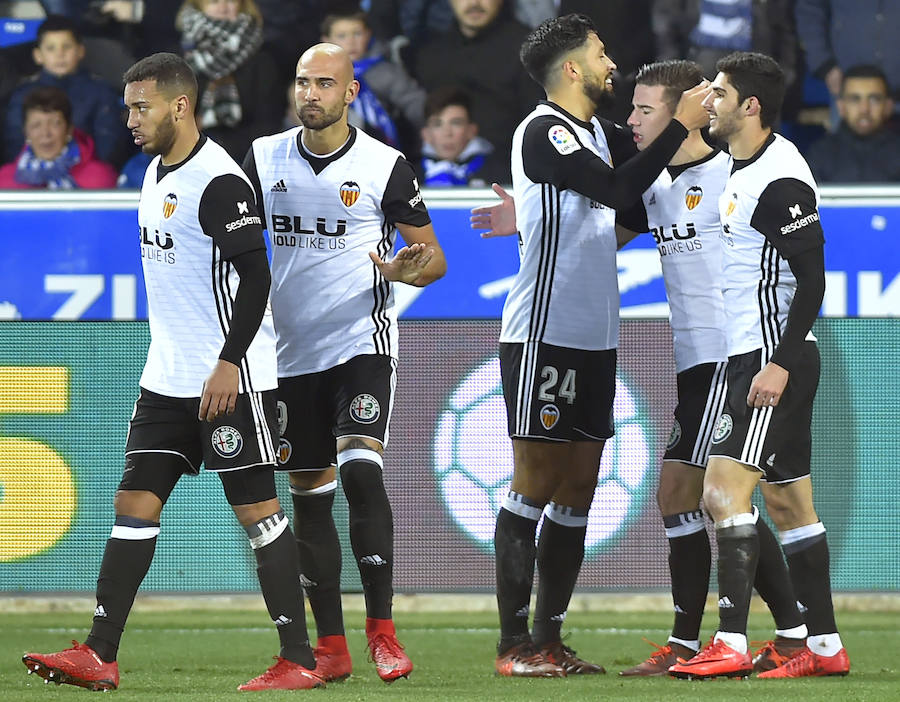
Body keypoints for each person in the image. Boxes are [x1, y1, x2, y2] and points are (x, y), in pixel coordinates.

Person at [474, 58, 809, 676]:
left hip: (732, 356)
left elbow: (793, 255)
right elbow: (603, 224)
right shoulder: (653, 185)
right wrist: (527, 218)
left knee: (696, 494)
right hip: (694, 363)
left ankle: (721, 641)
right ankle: (785, 634)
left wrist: (783, 352)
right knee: (704, 499)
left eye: (645, 109)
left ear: (685, 112)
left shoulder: (732, 173)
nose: (629, 121)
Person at [21, 52, 324, 692]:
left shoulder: (218, 182)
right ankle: (101, 653)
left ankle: (297, 660)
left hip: (232, 383)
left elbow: (257, 279)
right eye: (129, 106)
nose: (129, 119)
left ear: (180, 105)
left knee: (260, 514)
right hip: (167, 379)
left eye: (142, 107)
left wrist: (228, 363)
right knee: (133, 502)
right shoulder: (154, 172)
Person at [486, 14, 710, 677]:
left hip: (594, 338)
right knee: (535, 482)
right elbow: (616, 188)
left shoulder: (599, 135)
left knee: (580, 487)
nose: (614, 63)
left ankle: (550, 639)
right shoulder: (545, 129)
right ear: (573, 69)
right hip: (543, 334)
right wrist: (676, 127)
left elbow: (635, 200)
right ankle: (511, 646)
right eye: (602, 53)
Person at [242, 43, 446, 684]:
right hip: (286, 353)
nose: (310, 93)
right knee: (308, 497)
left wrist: (407, 268)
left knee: (361, 467)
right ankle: (330, 646)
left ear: (351, 92)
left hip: (362, 342)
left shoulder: (384, 165)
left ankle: (383, 633)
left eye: (324, 83)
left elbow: (433, 258)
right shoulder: (262, 157)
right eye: (303, 81)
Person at [668, 50, 850, 680]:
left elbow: (813, 278)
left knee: (721, 491)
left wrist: (779, 363)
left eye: (718, 92)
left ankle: (732, 642)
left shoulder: (780, 181)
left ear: (750, 106)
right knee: (791, 505)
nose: (707, 100)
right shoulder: (741, 166)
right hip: (757, 354)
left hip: (771, 360)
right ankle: (823, 648)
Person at [412, 0, 542, 183]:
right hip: (432, 179)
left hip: (511, 178)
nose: (474, 3)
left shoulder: (530, 53)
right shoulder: (429, 55)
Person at [3, 14, 131, 167]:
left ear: (80, 51)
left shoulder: (101, 92)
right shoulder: (21, 96)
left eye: (67, 46)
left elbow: (109, 144)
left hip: (86, 179)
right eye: (51, 48)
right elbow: (14, 143)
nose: (60, 54)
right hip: (30, 176)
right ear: (38, 55)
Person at [176, 0, 283, 162]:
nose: (223, 7)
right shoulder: (181, 57)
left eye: (231, 0)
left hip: (247, 157)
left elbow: (268, 121)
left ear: (243, 5)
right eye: (214, 1)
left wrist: (223, 150)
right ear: (198, 6)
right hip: (190, 155)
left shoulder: (262, 59)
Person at [321, 5, 426, 153]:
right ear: (327, 40)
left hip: (383, 148)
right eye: (342, 36)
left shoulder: (386, 72)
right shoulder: (318, 75)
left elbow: (415, 104)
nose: (351, 42)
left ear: (368, 35)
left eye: (357, 34)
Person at [0, 85, 117, 189]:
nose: (45, 133)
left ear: (69, 130)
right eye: (36, 125)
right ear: (26, 132)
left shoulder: (100, 178)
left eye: (55, 123)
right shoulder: (5, 181)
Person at [805, 65, 900, 183]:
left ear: (888, 106)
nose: (864, 109)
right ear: (841, 106)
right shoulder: (819, 155)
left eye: (874, 99)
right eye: (855, 99)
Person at [419, 85, 499, 186]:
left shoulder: (497, 174)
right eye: (437, 124)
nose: (447, 133)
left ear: (472, 130)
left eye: (456, 123)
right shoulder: (407, 175)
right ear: (425, 134)